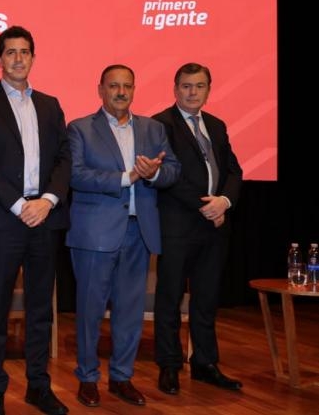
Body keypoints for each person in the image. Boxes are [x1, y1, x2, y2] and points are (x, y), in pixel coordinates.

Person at [0, 26, 71, 415]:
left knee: (41, 310)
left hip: (44, 218)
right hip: (2, 219)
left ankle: (38, 386)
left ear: (33, 58)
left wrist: (47, 201)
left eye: (25, 52)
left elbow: (64, 159)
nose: (18, 58)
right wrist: (17, 204)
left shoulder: (50, 105)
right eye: (11, 52)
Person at [66, 64, 179, 408]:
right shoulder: (80, 128)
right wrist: (126, 177)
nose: (120, 92)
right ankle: (88, 378)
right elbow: (76, 175)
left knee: (130, 311)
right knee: (90, 311)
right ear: (100, 89)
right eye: (113, 86)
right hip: (94, 234)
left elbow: (173, 170)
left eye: (127, 86)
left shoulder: (153, 129)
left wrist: (153, 174)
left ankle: (121, 377)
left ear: (134, 90)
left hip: (138, 232)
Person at [152, 63, 243, 395]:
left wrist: (224, 202)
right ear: (175, 89)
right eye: (187, 86)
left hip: (214, 227)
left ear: (208, 90)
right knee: (170, 297)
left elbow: (233, 171)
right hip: (178, 225)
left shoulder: (216, 125)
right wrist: (207, 206)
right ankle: (169, 365)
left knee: (206, 298)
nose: (193, 92)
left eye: (200, 86)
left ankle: (205, 363)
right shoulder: (161, 124)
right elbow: (169, 176)